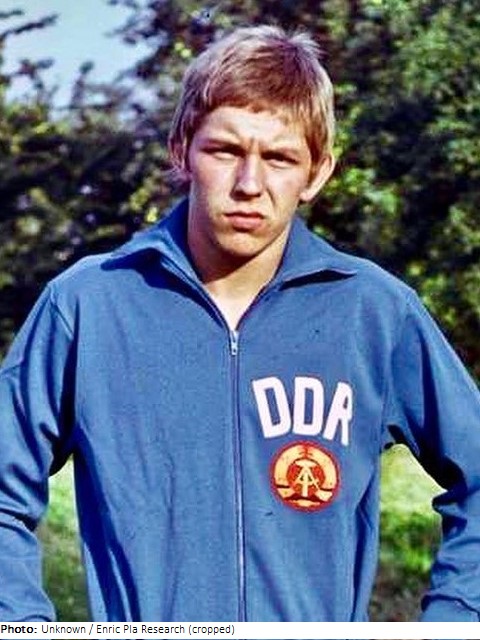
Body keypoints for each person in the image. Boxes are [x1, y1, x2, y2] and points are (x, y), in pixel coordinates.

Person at [0, 24, 479, 624]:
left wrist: (454, 619)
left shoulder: (375, 313)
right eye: (225, 151)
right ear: (181, 150)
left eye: (279, 158)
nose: (250, 185)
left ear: (317, 173)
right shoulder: (87, 305)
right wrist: (22, 623)